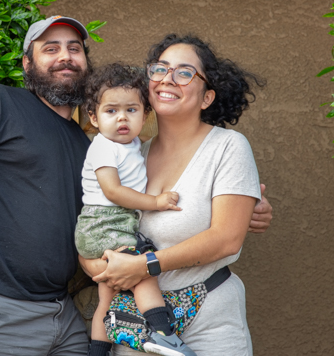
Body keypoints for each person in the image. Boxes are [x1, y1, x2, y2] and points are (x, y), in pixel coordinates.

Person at [0, 16, 273, 356]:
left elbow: (220, 233)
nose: (65, 56)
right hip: (12, 313)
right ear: (27, 64)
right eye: (51, 48)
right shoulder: (3, 105)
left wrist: (244, 210)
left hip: (91, 317)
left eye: (75, 48)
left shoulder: (102, 147)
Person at [81, 34, 266, 356]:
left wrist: (145, 265)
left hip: (209, 318)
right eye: (160, 69)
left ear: (207, 97)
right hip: (135, 326)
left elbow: (226, 239)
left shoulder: (227, 147)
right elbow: (101, 221)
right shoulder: (130, 155)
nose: (168, 79)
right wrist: (94, 263)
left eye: (184, 73)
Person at [76, 63, 195, 356]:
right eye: (111, 111)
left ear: (145, 115)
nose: (122, 118)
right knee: (143, 270)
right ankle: (162, 333)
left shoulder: (132, 146)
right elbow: (112, 190)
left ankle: (98, 351)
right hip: (104, 224)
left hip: (111, 225)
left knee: (108, 298)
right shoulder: (103, 146)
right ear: (93, 117)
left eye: (131, 110)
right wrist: (156, 202)